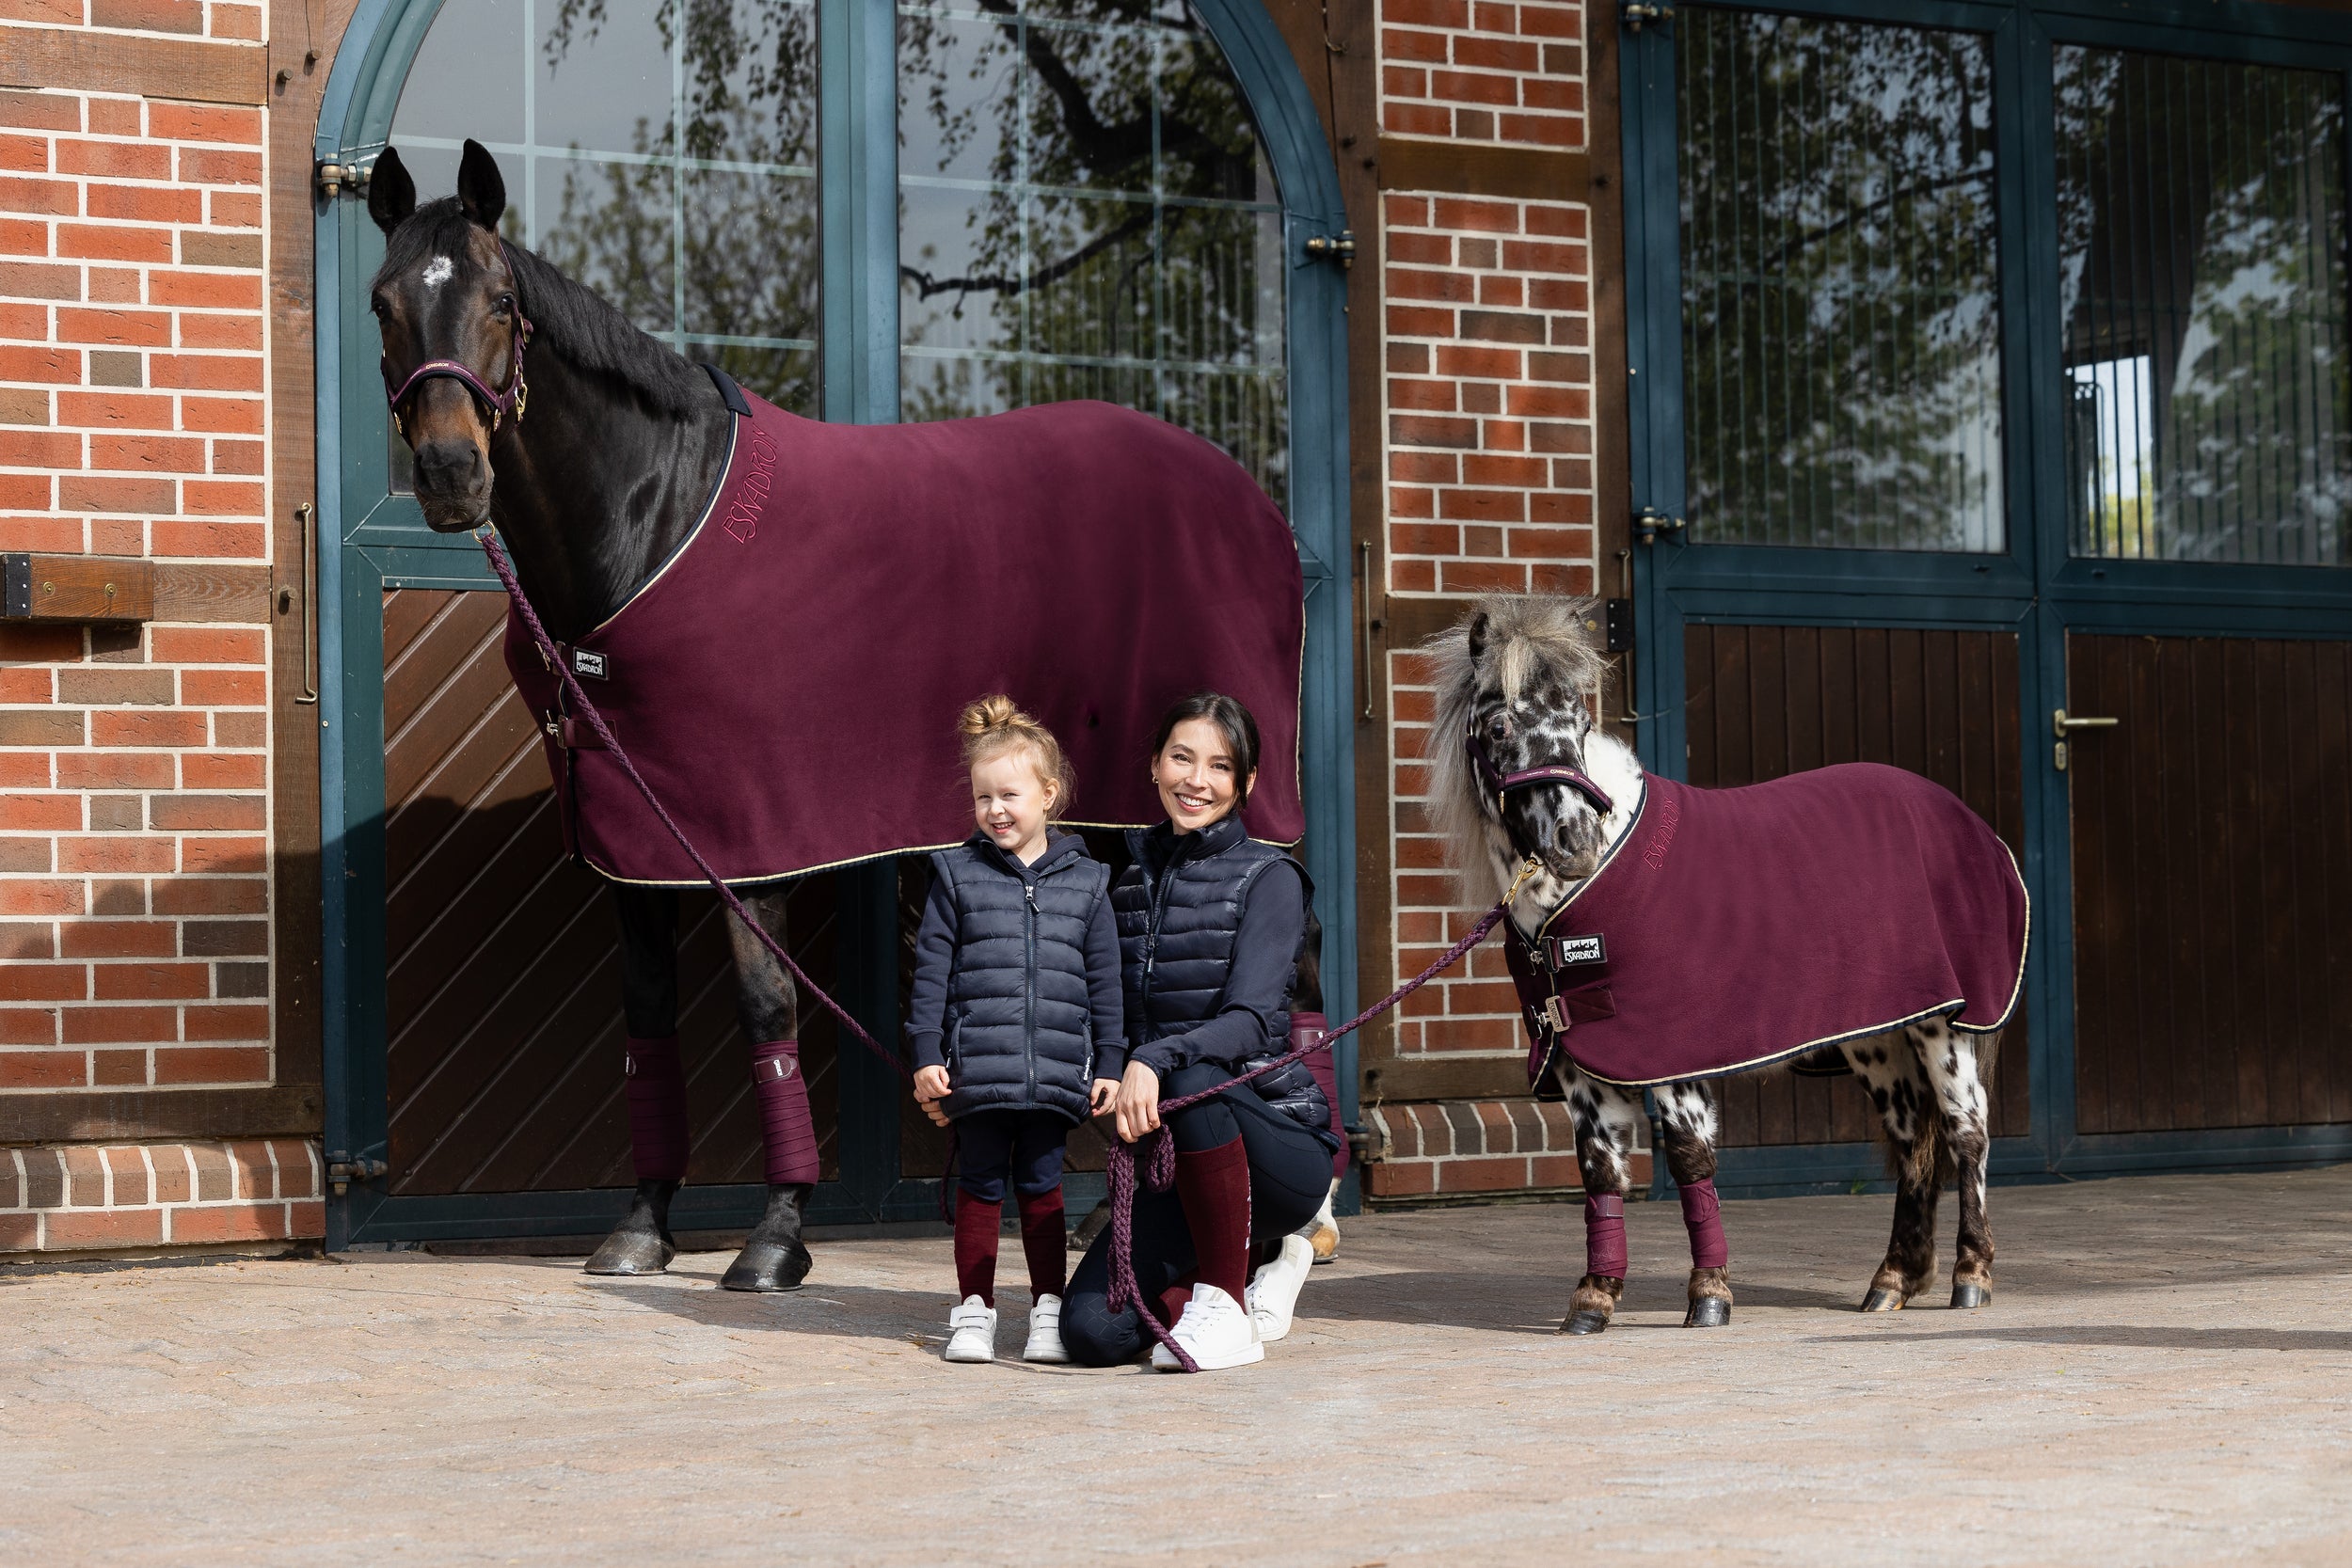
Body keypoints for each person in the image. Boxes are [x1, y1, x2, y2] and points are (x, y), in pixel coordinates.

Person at [1061, 693, 1336, 1370]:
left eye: (1220, 766)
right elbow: (1099, 1013)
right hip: (1177, 1163)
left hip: (1276, 1148)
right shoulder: (1126, 884)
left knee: (1189, 1076)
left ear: (1246, 782)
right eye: (1181, 758)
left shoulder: (1270, 877)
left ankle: (1228, 1303)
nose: (1196, 780)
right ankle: (1248, 1264)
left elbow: (1250, 1022)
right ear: (1155, 764)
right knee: (1091, 1332)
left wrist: (1153, 1058)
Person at [908, 697, 1123, 1365]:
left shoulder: (1088, 883)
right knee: (978, 1186)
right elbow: (931, 973)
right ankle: (974, 1310)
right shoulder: (957, 875)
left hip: (1055, 1072)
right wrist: (925, 1052)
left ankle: (1048, 1311)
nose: (995, 810)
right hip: (979, 1069)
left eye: (1010, 795)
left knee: (1041, 1188)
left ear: (1048, 795)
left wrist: (1110, 1062)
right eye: (983, 797)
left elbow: (1106, 982)